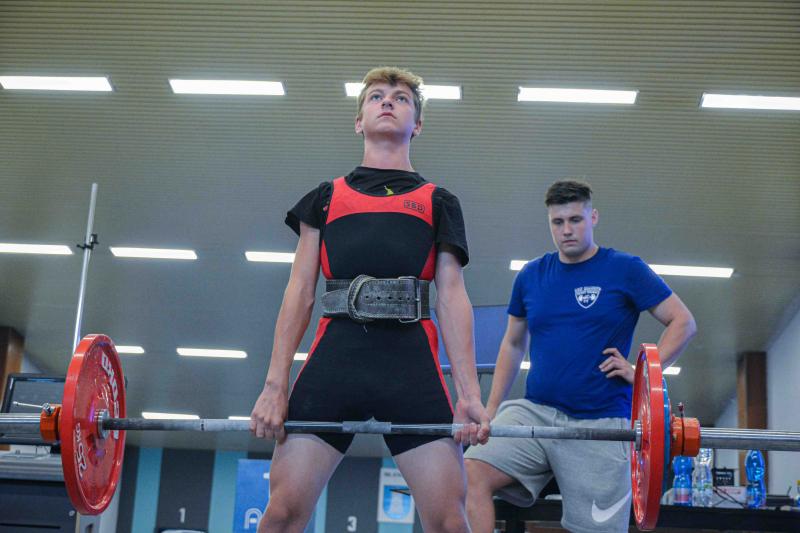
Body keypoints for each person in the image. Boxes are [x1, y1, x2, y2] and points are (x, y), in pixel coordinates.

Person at [250, 66, 490, 533]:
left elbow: (451, 296)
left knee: (449, 523)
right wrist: (275, 386)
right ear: (358, 121)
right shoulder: (324, 198)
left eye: (401, 98)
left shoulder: (439, 201)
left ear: (417, 125)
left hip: (411, 368)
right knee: (280, 516)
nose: (388, 102)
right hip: (335, 363)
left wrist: (469, 396)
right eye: (376, 96)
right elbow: (299, 293)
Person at [464, 180, 697, 533]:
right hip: (535, 414)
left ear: (593, 217)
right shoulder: (531, 275)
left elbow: (683, 322)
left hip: (601, 424)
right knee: (468, 474)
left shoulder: (625, 269)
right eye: (558, 222)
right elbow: (512, 344)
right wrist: (492, 409)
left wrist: (643, 374)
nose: (567, 230)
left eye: (575, 220)